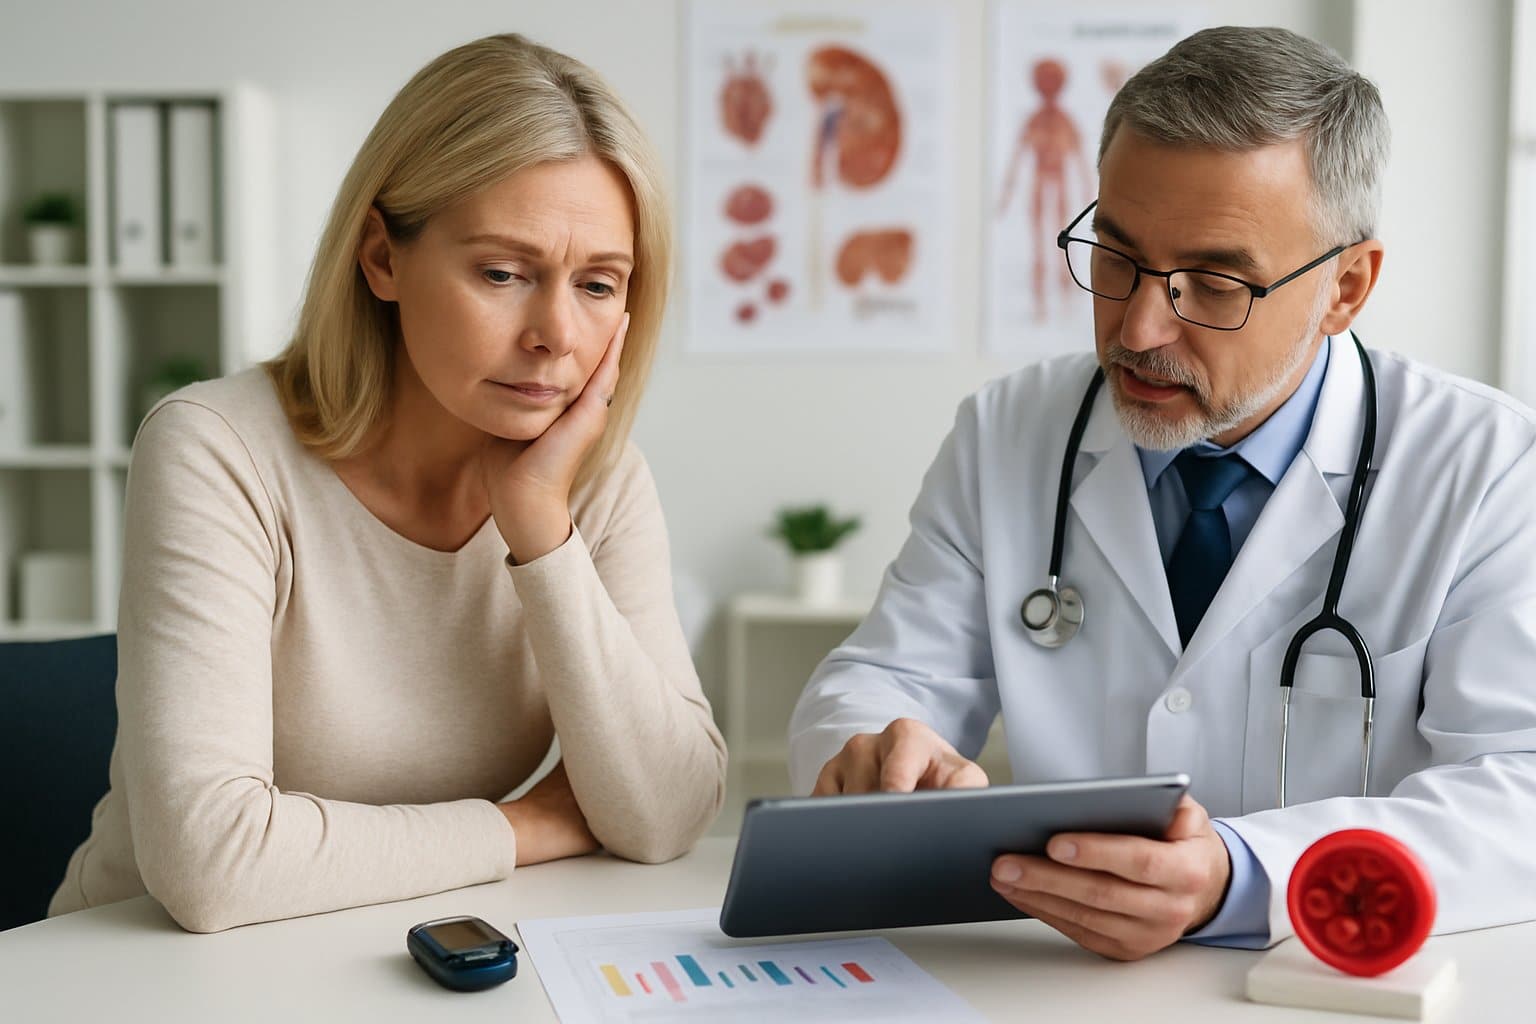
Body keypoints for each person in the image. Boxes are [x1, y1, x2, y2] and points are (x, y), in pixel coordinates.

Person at [789, 26, 1536, 960]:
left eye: (1215, 284)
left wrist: (1240, 874)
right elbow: (883, 676)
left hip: (1327, 982)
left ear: (1346, 287)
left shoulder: (1484, 463)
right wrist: (880, 750)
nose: (1139, 327)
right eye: (1117, 255)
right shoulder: (1010, 432)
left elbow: (1521, 789)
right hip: (1052, 982)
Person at [49, 33, 726, 933]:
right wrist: (525, 824)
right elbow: (210, 865)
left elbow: (668, 812)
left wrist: (540, 530)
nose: (557, 334)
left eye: (599, 284)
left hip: (391, 959)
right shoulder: (216, 450)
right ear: (381, 257)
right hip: (144, 973)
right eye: (502, 272)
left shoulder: (595, 481)